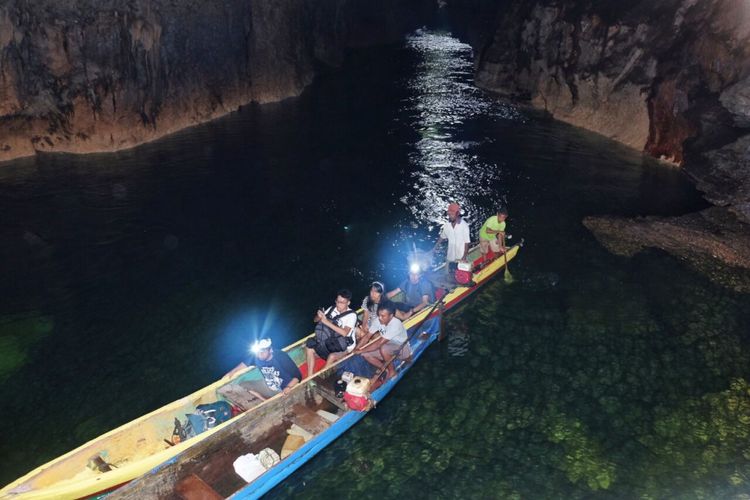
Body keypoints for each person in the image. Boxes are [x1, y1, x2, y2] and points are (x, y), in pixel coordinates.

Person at [225, 338, 301, 400]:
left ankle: (272, 401)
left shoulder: (280, 356)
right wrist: (231, 373)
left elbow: (298, 376)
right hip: (269, 386)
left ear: (270, 350)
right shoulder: (256, 358)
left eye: (262, 351)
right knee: (243, 385)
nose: (259, 355)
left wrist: (288, 387)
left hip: (283, 388)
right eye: (257, 352)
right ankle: (264, 401)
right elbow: (244, 364)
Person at [305, 289, 358, 374]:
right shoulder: (332, 308)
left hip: (345, 346)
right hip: (330, 341)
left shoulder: (352, 315)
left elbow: (345, 333)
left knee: (332, 356)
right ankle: (309, 377)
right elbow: (315, 321)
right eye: (337, 301)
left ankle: (322, 375)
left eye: (342, 302)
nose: (338, 304)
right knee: (309, 347)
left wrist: (326, 322)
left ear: (348, 303)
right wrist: (319, 316)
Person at [360, 301, 410, 380]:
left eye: (383, 316)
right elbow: (367, 336)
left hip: (402, 349)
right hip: (388, 348)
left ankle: (392, 372)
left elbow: (379, 343)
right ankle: (385, 369)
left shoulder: (396, 324)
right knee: (365, 354)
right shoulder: (378, 320)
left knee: (383, 348)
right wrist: (357, 348)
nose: (380, 318)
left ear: (391, 316)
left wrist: (361, 350)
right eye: (379, 315)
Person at [433, 202, 471, 271]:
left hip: (461, 256)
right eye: (449, 214)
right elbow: (442, 237)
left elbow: (467, 243)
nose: (450, 216)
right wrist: (435, 248)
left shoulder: (464, 226)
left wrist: (464, 257)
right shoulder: (447, 226)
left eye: (452, 214)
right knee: (446, 272)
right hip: (450, 255)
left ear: (457, 214)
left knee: (462, 273)